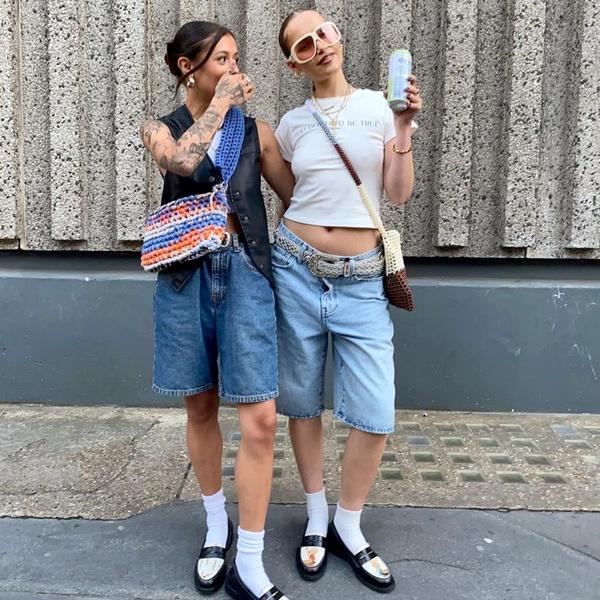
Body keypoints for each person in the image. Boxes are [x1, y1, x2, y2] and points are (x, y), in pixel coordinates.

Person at [139, 21, 294, 600]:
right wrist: (221, 104)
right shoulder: (159, 128)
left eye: (235, 58)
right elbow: (182, 164)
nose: (234, 68)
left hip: (247, 272)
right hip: (185, 277)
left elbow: (296, 197)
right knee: (201, 406)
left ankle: (249, 562)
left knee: (260, 418)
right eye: (220, 59)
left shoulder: (257, 132)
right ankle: (215, 526)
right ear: (188, 67)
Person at [273, 9, 422, 594]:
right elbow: (297, 194)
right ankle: (315, 513)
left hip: (362, 280)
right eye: (303, 44)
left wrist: (403, 128)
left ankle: (348, 523)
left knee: (375, 410)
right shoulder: (292, 125)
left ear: (338, 36)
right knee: (302, 400)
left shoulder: (379, 107)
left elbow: (398, 195)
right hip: (295, 269)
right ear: (295, 64)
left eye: (323, 33)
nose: (318, 45)